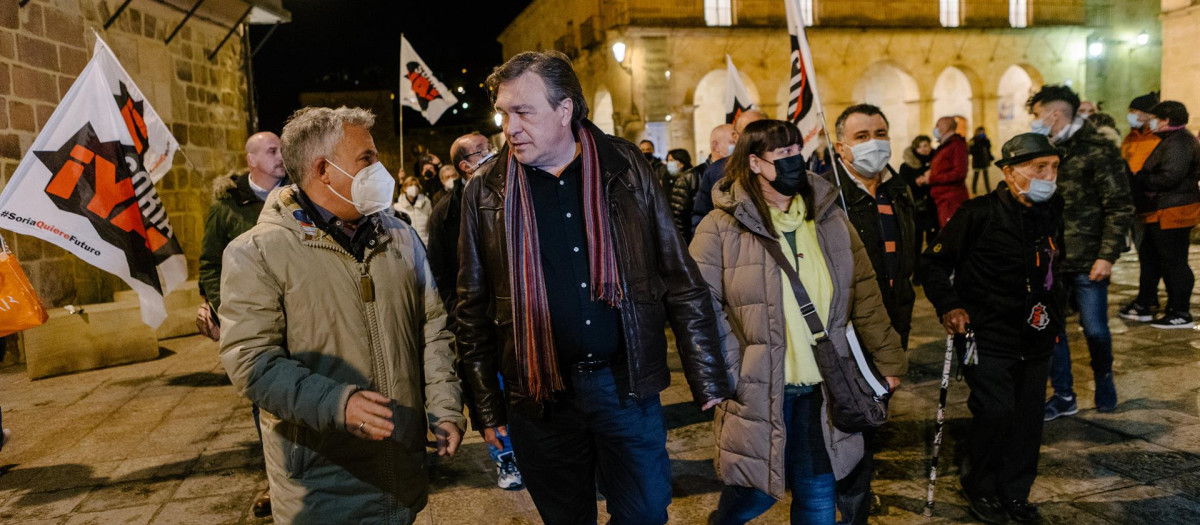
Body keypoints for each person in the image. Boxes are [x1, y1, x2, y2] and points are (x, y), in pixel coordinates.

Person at [457, 51, 730, 525]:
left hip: (623, 383)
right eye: (504, 113)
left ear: (565, 110)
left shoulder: (625, 167)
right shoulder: (486, 190)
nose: (510, 127)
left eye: (523, 111)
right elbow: (472, 309)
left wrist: (705, 372)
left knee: (645, 513)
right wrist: (486, 406)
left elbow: (678, 274)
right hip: (538, 395)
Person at [219, 106, 464, 524]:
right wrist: (337, 403)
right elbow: (251, 362)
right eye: (366, 159)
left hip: (401, 476)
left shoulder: (399, 235)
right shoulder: (257, 252)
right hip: (322, 486)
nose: (380, 169)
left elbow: (433, 329)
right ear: (323, 170)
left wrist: (445, 406)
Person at [691, 119, 905, 524]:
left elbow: (864, 292)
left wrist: (889, 359)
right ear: (755, 163)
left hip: (824, 387)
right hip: (760, 386)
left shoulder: (828, 218)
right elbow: (700, 307)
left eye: (796, 151)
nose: (795, 161)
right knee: (755, 494)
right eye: (782, 154)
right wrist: (728, 371)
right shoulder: (720, 227)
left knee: (819, 496)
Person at [919, 133, 1065, 525]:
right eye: (1039, 168)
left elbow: (1055, 265)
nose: (1049, 176)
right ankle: (980, 486)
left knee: (1028, 418)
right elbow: (931, 265)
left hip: (1036, 333)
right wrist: (950, 305)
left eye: (1054, 167)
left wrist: (1058, 311)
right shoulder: (977, 213)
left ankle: (1015, 492)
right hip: (986, 334)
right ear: (1009, 172)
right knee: (996, 411)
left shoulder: (1052, 209)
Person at [826, 104, 915, 524]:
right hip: (847, 333)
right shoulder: (828, 196)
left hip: (891, 327)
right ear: (841, 147)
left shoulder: (899, 191)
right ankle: (850, 506)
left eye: (880, 132)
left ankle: (855, 495)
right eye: (862, 136)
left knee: (873, 419)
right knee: (851, 422)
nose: (874, 142)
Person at [1026, 85, 1133, 421]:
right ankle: (1063, 394)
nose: (1035, 121)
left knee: (1095, 328)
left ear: (1054, 114)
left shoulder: (1096, 149)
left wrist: (1107, 256)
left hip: (1088, 257)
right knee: (1052, 330)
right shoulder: (1042, 151)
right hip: (1051, 259)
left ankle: (1104, 379)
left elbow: (1118, 205)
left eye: (1038, 114)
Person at [427, 131, 525, 492]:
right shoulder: (444, 214)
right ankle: (505, 457)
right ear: (465, 166)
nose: (494, 154)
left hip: (517, 314)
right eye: (483, 152)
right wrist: (461, 316)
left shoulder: (515, 190)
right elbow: (443, 275)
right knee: (488, 392)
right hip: (478, 321)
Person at [198, 130, 285, 518]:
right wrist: (224, 307)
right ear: (252, 160)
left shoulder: (297, 194)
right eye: (272, 150)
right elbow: (210, 264)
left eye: (282, 148)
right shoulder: (227, 206)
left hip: (296, 309)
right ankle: (276, 479)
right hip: (253, 318)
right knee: (264, 395)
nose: (281, 155)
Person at [1123, 101, 1200, 329]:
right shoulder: (1172, 141)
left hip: (1174, 209)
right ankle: (1169, 307)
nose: (1151, 122)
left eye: (1155, 118)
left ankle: (1181, 312)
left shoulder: (1180, 142)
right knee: (1160, 259)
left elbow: (1171, 175)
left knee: (1175, 261)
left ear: (1166, 120)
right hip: (1162, 209)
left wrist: (1142, 180)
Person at [691, 110, 767, 233]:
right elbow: (701, 217)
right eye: (749, 132)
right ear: (736, 136)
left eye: (761, 131)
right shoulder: (716, 171)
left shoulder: (778, 167)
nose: (756, 138)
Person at [676, 124, 735, 238]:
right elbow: (679, 219)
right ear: (715, 146)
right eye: (733, 143)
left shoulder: (740, 174)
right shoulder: (691, 177)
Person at [923, 116, 969, 227]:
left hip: (951, 200)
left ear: (946, 126)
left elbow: (959, 173)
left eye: (938, 125)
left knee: (953, 235)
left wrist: (932, 178)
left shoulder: (956, 145)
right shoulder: (945, 145)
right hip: (942, 199)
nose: (936, 128)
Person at [898, 135, 939, 255]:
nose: (924, 149)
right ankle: (916, 270)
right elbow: (903, 187)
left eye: (926, 145)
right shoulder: (906, 166)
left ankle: (931, 268)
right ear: (915, 149)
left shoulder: (936, 164)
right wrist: (917, 182)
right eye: (920, 147)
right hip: (916, 209)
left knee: (934, 240)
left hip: (933, 207)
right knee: (916, 242)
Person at [1122, 92, 1162, 175]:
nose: (1129, 115)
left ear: (1149, 114)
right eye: (1129, 111)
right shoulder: (1130, 137)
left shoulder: (1159, 138)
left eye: (1133, 111)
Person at [393, 175, 433, 246]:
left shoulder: (426, 204)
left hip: (425, 244)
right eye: (410, 185)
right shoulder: (397, 207)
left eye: (416, 185)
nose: (414, 187)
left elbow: (432, 225)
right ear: (405, 188)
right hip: (407, 245)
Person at [969, 126, 993, 194]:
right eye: (980, 131)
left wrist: (985, 140)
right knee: (976, 176)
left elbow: (988, 147)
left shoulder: (985, 139)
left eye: (982, 131)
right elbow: (971, 150)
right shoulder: (973, 140)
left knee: (986, 176)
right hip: (977, 161)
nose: (981, 133)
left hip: (984, 160)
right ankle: (974, 190)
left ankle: (988, 190)